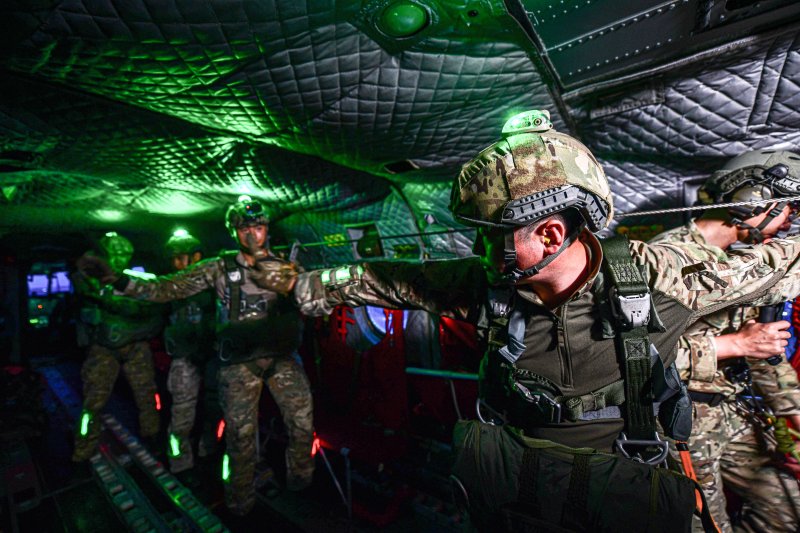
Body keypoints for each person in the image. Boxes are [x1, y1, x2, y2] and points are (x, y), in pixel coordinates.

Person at [279, 110, 800, 531]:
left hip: (626, 487)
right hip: (526, 486)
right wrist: (303, 286)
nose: (479, 250)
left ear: (550, 235)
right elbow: (385, 280)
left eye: (491, 235)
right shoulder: (484, 288)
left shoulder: (662, 277)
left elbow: (777, 263)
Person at [77, 197, 313, 516]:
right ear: (233, 232)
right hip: (237, 364)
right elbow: (165, 289)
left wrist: (310, 296)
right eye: (244, 228)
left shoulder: (289, 265)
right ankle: (238, 501)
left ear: (267, 229)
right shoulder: (219, 268)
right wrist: (118, 280)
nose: (253, 234)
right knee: (239, 437)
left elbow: (316, 296)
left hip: (282, 359)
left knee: (301, 423)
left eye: (258, 227)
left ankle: (301, 481)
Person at [649, 149, 800, 532]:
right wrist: (733, 345)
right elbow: (636, 356)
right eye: (788, 210)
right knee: (708, 525)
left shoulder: (741, 263)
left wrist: (792, 412)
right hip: (679, 422)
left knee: (788, 509)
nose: (787, 224)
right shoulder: (666, 258)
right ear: (756, 201)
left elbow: (763, 347)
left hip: (731, 416)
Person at [72, 232, 163, 462]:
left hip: (135, 346)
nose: (120, 259)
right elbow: (82, 287)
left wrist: (125, 302)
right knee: (93, 402)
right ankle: (83, 449)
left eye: (125, 255)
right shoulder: (88, 277)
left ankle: (152, 438)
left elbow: (153, 305)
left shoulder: (136, 280)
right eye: (115, 254)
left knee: (147, 396)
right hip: (103, 348)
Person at [162, 230, 220, 473]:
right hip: (184, 358)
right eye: (173, 258)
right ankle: (180, 465)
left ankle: (208, 453)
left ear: (196, 257)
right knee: (182, 416)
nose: (176, 263)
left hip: (212, 357)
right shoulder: (169, 286)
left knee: (213, 409)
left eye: (181, 257)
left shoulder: (217, 283)